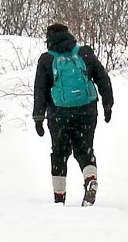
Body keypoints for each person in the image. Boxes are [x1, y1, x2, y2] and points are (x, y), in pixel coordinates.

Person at [32, 23, 114, 206]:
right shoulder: (84, 53)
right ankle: (90, 177)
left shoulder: (46, 60)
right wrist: (108, 104)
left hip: (59, 113)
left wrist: (38, 117)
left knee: (59, 153)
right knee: (85, 149)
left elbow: (40, 90)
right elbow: (102, 78)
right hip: (87, 109)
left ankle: (59, 197)